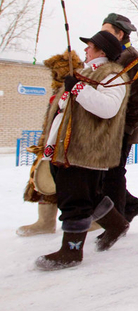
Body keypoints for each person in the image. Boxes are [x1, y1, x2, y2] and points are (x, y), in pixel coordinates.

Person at [35, 31, 131, 271]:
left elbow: (108, 108)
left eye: (90, 46)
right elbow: (65, 114)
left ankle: (72, 251)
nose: (85, 50)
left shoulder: (112, 75)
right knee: (87, 196)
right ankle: (116, 224)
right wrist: (51, 145)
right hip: (67, 150)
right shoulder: (84, 74)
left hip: (87, 150)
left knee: (75, 199)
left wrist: (78, 88)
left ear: (102, 50)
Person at [17, 50, 82, 237]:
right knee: (43, 179)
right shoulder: (57, 91)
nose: (55, 76)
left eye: (58, 72)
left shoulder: (75, 89)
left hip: (67, 144)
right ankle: (45, 221)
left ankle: (89, 221)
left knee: (72, 184)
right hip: (50, 143)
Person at [99, 13, 138, 224]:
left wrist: (125, 129)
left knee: (113, 174)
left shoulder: (133, 60)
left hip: (122, 130)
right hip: (106, 128)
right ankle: (130, 205)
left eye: (106, 32)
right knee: (105, 174)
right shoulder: (111, 58)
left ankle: (117, 220)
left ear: (120, 34)